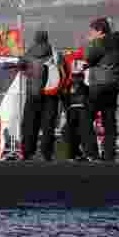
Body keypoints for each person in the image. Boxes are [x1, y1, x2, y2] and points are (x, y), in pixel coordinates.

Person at [85, 17, 119, 162]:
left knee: (86, 118)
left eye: (92, 31)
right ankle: (109, 154)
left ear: (100, 31)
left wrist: (91, 43)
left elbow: (88, 58)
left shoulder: (99, 43)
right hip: (113, 85)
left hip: (98, 86)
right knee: (109, 121)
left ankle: (92, 153)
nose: (91, 33)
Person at [18, 30, 60, 162]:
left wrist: (28, 73)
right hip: (51, 93)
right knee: (48, 125)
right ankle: (46, 153)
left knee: (30, 124)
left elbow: (20, 66)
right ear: (46, 39)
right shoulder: (54, 53)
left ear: (35, 39)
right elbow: (63, 69)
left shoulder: (29, 53)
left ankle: (27, 152)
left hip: (33, 93)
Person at [63, 63, 98, 161]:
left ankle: (91, 154)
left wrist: (90, 114)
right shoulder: (67, 89)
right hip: (72, 113)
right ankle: (74, 153)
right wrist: (66, 111)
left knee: (86, 132)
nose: (76, 78)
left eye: (78, 76)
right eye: (74, 76)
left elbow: (91, 103)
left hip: (84, 112)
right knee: (68, 132)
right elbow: (65, 102)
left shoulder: (87, 89)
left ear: (82, 77)